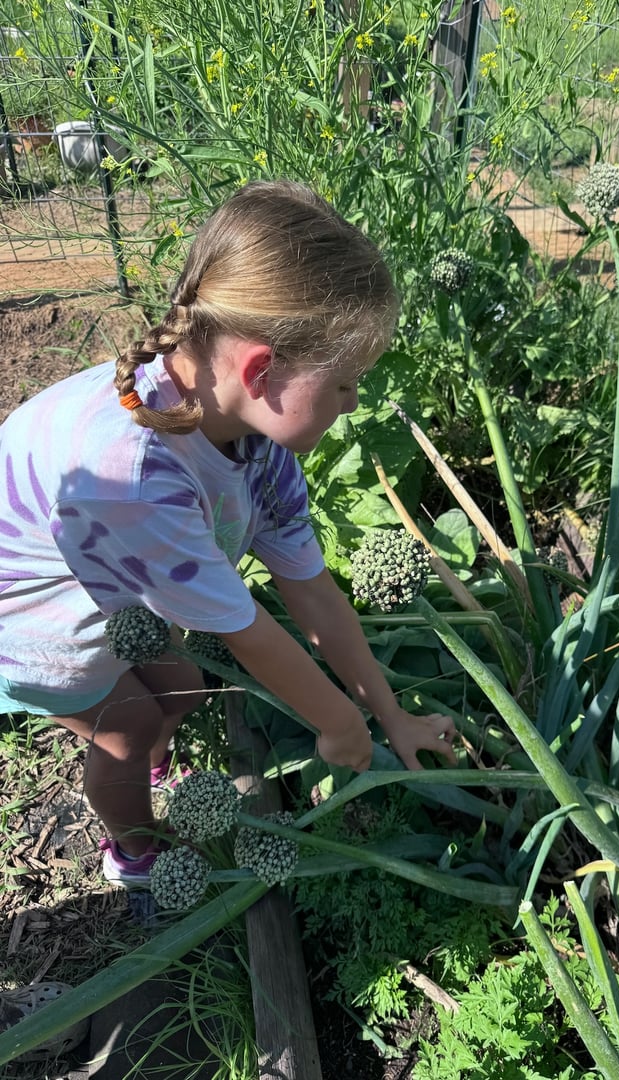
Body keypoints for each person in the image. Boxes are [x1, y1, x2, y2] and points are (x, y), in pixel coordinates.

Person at [0, 180, 457, 887]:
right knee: (123, 731)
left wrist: (389, 713)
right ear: (262, 370)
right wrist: (340, 725)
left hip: (107, 582)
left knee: (180, 688)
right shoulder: (133, 475)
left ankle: (155, 741)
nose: (354, 400)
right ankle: (133, 851)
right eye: (343, 384)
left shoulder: (254, 438)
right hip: (30, 612)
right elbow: (252, 633)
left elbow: (313, 592)